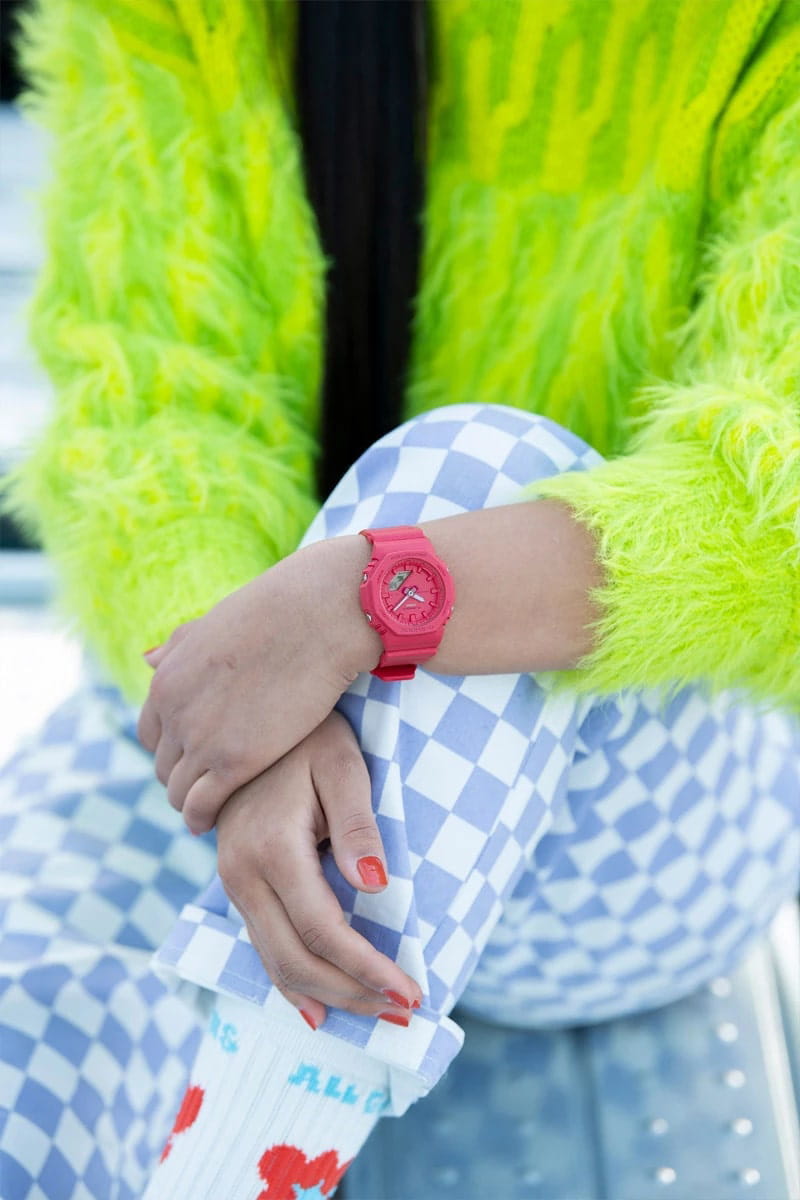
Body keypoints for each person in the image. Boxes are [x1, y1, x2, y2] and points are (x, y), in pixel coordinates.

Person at [2, 1, 800, 1197]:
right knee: (27, 1006)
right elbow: (152, 416)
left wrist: (364, 603)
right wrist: (256, 726)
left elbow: (774, 492)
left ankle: (249, 1159)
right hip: (269, 779)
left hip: (638, 811)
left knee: (476, 468)